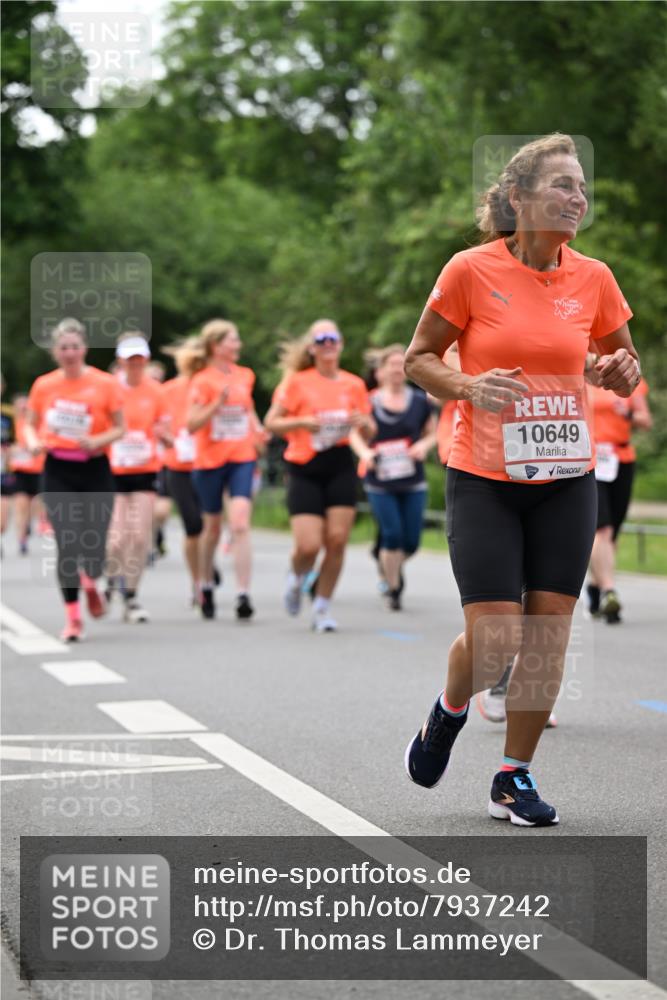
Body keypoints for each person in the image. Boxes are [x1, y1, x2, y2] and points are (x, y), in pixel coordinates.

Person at [403, 132, 641, 826]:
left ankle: (513, 776)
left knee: (546, 638)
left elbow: (621, 362)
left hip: (566, 476)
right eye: (562, 185)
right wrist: (468, 386)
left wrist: (616, 370)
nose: (577, 198)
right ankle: (448, 711)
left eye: (581, 188)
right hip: (484, 475)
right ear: (517, 198)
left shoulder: (592, 277)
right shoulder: (469, 270)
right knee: (497, 640)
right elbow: (420, 358)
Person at [264, 319, 374, 632]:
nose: (328, 343)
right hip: (304, 465)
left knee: (337, 541)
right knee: (309, 546)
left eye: (333, 338)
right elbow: (271, 422)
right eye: (321, 339)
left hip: (339, 462)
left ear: (340, 344)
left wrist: (363, 421)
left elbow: (370, 428)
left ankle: (322, 607)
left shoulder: (353, 384)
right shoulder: (297, 382)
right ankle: (296, 577)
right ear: (312, 348)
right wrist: (301, 421)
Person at [24, 318, 124, 641]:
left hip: (95, 469)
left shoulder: (105, 383)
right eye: (63, 347)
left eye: (75, 346)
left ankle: (91, 580)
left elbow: (121, 427)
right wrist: (32, 441)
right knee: (67, 543)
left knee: (95, 543)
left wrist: (98, 441)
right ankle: (73, 618)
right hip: (58, 469)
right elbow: (28, 424)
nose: (69, 353)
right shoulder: (44, 385)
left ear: (85, 349)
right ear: (55, 351)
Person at [186, 319, 264, 621]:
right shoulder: (201, 380)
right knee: (212, 528)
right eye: (233, 340)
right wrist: (215, 405)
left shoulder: (245, 375)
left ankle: (243, 593)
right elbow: (192, 423)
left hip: (241, 457)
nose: (238, 345)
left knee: (241, 523)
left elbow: (248, 411)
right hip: (209, 462)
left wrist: (258, 432)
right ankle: (205, 584)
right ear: (216, 346)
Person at [350, 344, 436, 610]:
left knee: (411, 540)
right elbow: (354, 433)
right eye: (392, 364)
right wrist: (365, 453)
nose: (398, 369)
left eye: (402, 364)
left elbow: (433, 433)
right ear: (380, 371)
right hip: (380, 481)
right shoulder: (369, 401)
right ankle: (394, 587)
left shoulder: (420, 401)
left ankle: (385, 561)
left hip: (412, 480)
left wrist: (423, 446)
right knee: (392, 535)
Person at [106, 334, 168, 623]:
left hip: (144, 468)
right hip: (112, 469)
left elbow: (165, 424)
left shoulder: (155, 391)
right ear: (120, 360)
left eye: (139, 358)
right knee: (117, 539)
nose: (135, 364)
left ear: (145, 359)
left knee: (140, 537)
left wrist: (164, 436)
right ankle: (112, 577)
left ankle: (131, 597)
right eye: (129, 359)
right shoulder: (108, 389)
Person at [586, 368, 652, 622]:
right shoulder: (579, 377)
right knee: (600, 528)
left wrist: (628, 414)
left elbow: (645, 419)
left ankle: (595, 585)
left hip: (621, 459)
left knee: (612, 533)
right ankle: (609, 590)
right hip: (591, 459)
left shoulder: (628, 378)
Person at [160, 337, 206, 608]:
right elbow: (157, 420)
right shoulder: (168, 390)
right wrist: (165, 435)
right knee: (193, 525)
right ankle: (197, 582)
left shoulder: (211, 386)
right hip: (178, 463)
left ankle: (206, 570)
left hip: (210, 463)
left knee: (208, 525)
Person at [10, 394, 47, 554]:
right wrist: (14, 449)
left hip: (38, 469)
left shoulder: (38, 423)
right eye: (20, 406)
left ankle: (32, 523)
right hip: (19, 470)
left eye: (26, 406)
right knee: (21, 505)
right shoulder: (11, 424)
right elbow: (6, 444)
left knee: (37, 502)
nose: (23, 409)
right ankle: (22, 538)